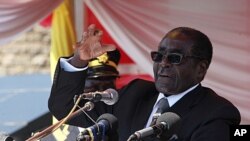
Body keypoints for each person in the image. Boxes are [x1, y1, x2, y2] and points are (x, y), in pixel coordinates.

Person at [48, 24, 241, 141]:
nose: (163, 64)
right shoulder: (135, 93)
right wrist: (79, 60)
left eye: (175, 58)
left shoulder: (216, 112)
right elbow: (65, 108)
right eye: (159, 56)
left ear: (201, 68)